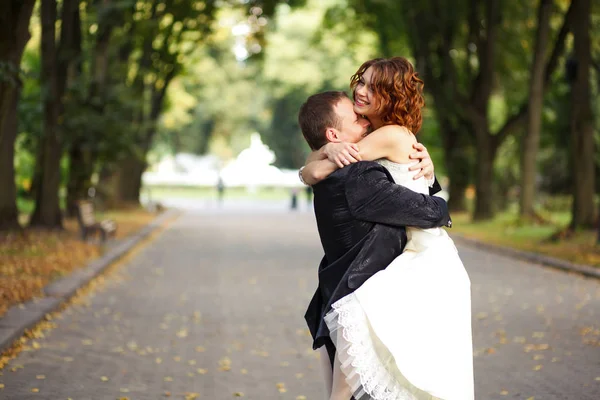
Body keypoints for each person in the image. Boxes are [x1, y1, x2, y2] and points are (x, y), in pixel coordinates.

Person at [302, 58, 474, 400]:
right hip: (409, 244)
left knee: (357, 317)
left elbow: (318, 172)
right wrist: (326, 150)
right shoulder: (388, 134)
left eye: (372, 86)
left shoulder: (389, 135)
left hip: (421, 253)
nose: (360, 91)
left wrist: (324, 153)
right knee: (362, 331)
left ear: (391, 95)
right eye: (360, 82)